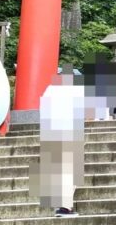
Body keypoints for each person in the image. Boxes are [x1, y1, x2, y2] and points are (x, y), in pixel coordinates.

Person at [31, 67, 85, 217]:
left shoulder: (50, 90)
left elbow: (43, 110)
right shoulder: (76, 91)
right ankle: (65, 207)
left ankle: (59, 203)